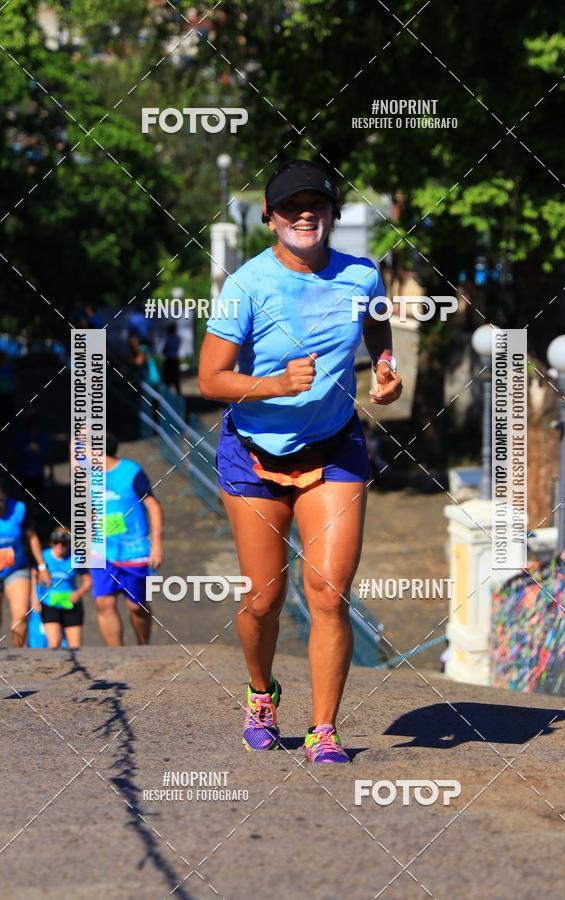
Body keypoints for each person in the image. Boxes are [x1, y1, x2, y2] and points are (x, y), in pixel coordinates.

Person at [199, 159, 402, 764]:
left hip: (334, 448)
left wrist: (386, 370)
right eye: (290, 206)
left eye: (316, 204)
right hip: (255, 455)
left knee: (329, 593)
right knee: (263, 599)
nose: (303, 214)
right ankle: (261, 694)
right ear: (269, 218)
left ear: (335, 214)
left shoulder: (362, 276)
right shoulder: (247, 287)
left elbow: (377, 329)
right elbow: (210, 378)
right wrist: (276, 386)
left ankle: (323, 730)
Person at [91, 433, 163, 646]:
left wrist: (157, 544)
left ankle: (143, 649)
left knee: (136, 607)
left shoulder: (131, 471)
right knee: (104, 603)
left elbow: (154, 506)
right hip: (102, 549)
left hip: (135, 550)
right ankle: (116, 655)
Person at [0, 478, 51, 647]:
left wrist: (42, 566)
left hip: (15, 569)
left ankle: (18, 655)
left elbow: (31, 536)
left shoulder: (19, 509)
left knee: (21, 617)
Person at [32, 527, 90, 649]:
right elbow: (33, 576)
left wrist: (78, 593)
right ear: (51, 542)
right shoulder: (43, 557)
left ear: (69, 544)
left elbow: (88, 581)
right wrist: (34, 598)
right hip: (50, 603)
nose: (59, 546)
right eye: (56, 542)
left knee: (75, 646)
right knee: (54, 644)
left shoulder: (76, 558)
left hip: (71, 603)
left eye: (63, 543)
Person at [162, 323, 181, 394]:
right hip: (175, 360)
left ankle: (166, 395)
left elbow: (164, 350)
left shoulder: (169, 338)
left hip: (169, 360)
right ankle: (179, 395)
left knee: (167, 380)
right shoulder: (177, 338)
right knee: (175, 380)